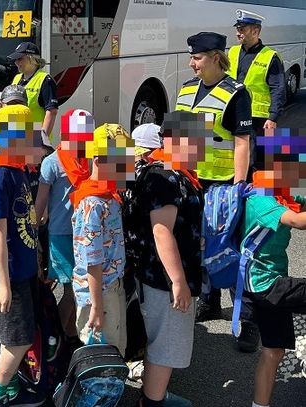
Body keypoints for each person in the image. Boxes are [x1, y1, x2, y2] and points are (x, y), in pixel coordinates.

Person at [176, 32, 256, 350]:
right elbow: (178, 139)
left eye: (196, 57)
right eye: (191, 57)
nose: (191, 62)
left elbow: (241, 141)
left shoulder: (236, 93)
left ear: (214, 57)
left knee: (232, 248)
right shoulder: (185, 89)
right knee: (200, 245)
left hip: (224, 185)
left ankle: (247, 320)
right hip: (193, 182)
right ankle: (209, 300)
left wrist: (238, 186)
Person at [131, 121, 204, 407]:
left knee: (160, 340)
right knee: (167, 345)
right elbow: (161, 231)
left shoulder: (172, 172)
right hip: (164, 280)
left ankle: (154, 394)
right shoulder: (164, 177)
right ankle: (152, 401)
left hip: (161, 276)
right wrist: (179, 282)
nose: (203, 147)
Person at [0, 104, 46, 407]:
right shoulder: (0, 177)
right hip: (9, 275)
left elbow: (28, 225)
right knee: (15, 340)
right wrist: (4, 285)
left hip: (24, 268)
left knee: (22, 332)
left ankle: (8, 387)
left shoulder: (18, 170)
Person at [239, 128, 306, 407]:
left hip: (272, 282)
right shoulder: (260, 199)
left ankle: (260, 405)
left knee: (274, 350)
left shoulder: (281, 191)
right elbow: (298, 221)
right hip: (264, 284)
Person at [34, 109, 93, 346]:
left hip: (86, 233)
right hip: (61, 234)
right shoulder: (52, 162)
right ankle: (55, 335)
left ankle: (67, 333)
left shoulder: (90, 158)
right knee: (72, 292)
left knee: (79, 290)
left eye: (86, 133)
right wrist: (33, 233)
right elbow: (41, 201)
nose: (83, 138)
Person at [70, 123, 129, 353]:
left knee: (115, 345)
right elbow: (92, 261)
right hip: (99, 291)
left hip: (112, 284)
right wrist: (96, 306)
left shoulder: (109, 197)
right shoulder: (92, 203)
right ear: (98, 161)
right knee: (102, 352)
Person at [228, 9, 286, 169]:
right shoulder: (232, 51)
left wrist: (273, 117)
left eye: (242, 29)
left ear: (255, 31)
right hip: (234, 113)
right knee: (235, 155)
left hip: (258, 117)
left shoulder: (270, 56)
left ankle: (255, 190)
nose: (238, 33)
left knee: (254, 159)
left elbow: (278, 88)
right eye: (237, 29)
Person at [7, 42, 58, 140]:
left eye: (20, 58)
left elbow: (52, 112)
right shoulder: (17, 78)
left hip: (34, 138)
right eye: (16, 59)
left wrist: (43, 140)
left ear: (32, 59)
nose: (16, 62)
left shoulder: (45, 80)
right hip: (14, 135)